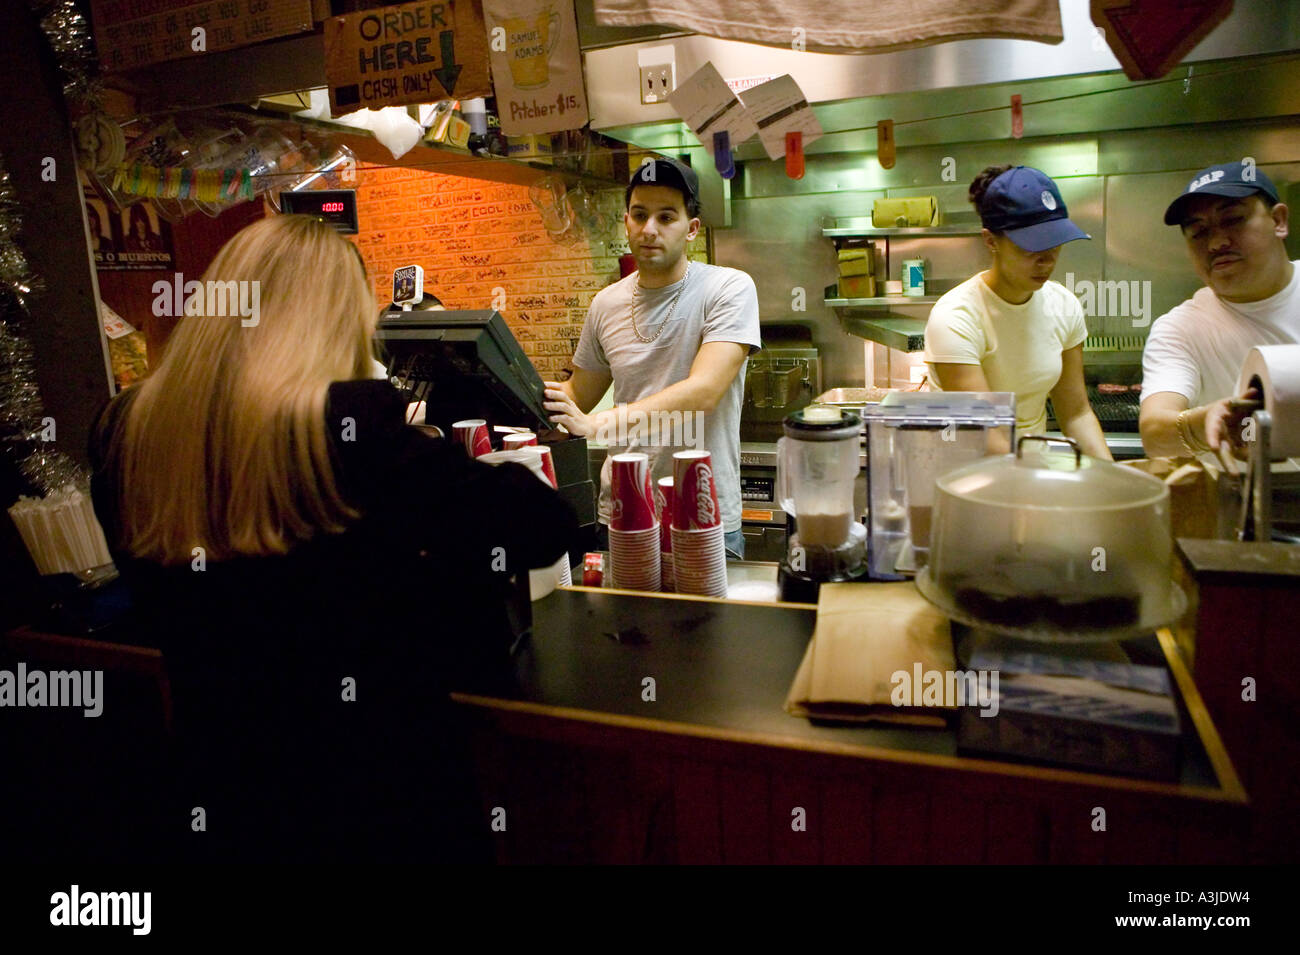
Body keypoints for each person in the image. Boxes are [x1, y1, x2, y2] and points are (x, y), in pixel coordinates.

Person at [89, 214, 579, 863]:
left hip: (221, 794)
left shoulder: (126, 429)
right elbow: (544, 527)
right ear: (336, 324)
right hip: (377, 802)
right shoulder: (351, 426)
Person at [542, 159, 762, 558]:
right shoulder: (606, 304)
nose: (649, 229)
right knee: (623, 623)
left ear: (691, 229)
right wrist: (526, 399)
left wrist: (596, 424)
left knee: (712, 622)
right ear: (626, 222)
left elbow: (704, 391)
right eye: (640, 215)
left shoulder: (728, 288)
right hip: (623, 513)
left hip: (701, 512)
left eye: (666, 217)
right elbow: (578, 393)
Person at [924, 165, 1111, 460]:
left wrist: (1112, 480)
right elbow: (987, 434)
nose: (1047, 261)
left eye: (1055, 243)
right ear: (990, 241)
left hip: (1029, 466)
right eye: (1031, 247)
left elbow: (1075, 412)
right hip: (965, 475)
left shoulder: (1064, 307)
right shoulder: (956, 316)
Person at [1139, 162, 1296, 457]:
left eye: (1234, 219)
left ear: (1279, 221)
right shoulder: (1181, 328)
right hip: (1240, 498)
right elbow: (1155, 433)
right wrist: (1204, 422)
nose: (1216, 242)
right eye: (1198, 232)